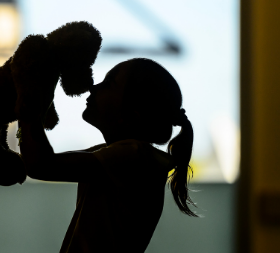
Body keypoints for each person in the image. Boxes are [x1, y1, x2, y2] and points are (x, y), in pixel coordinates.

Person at [18, 57, 197, 253]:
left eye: (108, 84)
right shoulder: (121, 154)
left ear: (131, 115)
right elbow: (38, 161)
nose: (94, 87)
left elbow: (41, 164)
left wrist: (28, 101)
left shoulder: (134, 157)